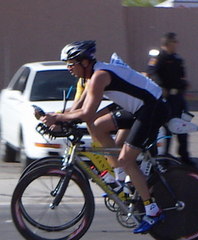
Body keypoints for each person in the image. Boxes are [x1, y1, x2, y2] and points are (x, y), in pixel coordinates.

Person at [41, 40, 169, 234]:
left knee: (127, 159)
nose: (68, 68)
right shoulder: (90, 78)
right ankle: (120, 178)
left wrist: (58, 118)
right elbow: (77, 109)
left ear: (84, 62)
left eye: (70, 63)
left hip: (153, 108)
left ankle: (153, 211)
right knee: (99, 126)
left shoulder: (99, 76)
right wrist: (54, 118)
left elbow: (86, 113)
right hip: (138, 108)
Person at [147, 32, 192, 165]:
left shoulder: (177, 58)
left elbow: (181, 76)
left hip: (178, 97)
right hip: (168, 99)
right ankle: (164, 158)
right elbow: (151, 73)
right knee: (168, 127)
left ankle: (184, 156)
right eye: (174, 42)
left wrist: (184, 85)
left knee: (184, 126)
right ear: (168, 43)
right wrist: (161, 88)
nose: (176, 44)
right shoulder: (159, 57)